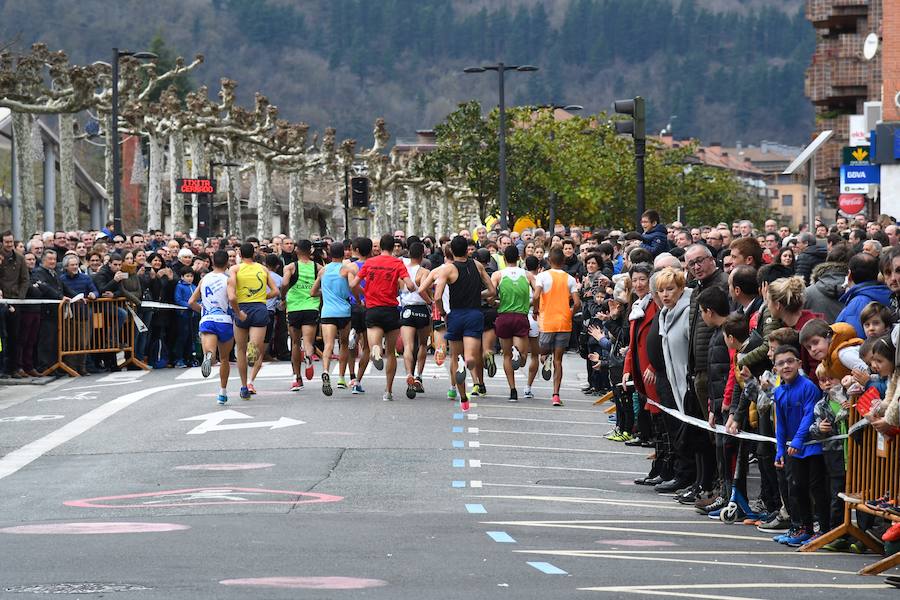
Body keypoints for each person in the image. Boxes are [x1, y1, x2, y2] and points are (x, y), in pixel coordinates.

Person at [420, 235, 495, 412]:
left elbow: (437, 296)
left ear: (452, 251)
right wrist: (478, 295)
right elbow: (492, 290)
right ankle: (469, 362)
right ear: (468, 250)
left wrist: (442, 312)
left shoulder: (448, 269)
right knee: (471, 355)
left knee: (455, 357)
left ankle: (463, 398)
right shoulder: (477, 266)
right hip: (474, 314)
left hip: (456, 315)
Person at [771, 344, 829, 547]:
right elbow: (780, 424)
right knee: (796, 489)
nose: (786, 366)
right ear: (775, 368)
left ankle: (824, 529)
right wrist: (779, 449)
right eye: (780, 363)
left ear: (799, 363)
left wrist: (797, 440)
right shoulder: (778, 392)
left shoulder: (808, 387)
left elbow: (808, 415)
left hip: (812, 447)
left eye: (790, 361)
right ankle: (802, 527)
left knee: (817, 489)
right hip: (793, 450)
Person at [349, 233, 415, 402]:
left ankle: (376, 351)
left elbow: (353, 284)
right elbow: (409, 285)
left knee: (373, 346)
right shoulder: (397, 263)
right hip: (391, 309)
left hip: (373, 309)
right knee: (391, 353)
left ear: (379, 248)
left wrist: (366, 294)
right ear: (393, 247)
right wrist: (410, 288)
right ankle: (388, 391)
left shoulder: (370, 262)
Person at [228, 242, 279, 400]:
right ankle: (253, 349)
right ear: (254, 254)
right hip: (259, 307)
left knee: (240, 350)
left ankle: (244, 386)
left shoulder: (235, 269)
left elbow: (232, 296)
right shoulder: (263, 269)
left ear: (240, 254)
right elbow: (276, 291)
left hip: (242, 307)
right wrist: (262, 296)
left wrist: (238, 312)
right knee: (256, 347)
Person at [533, 246, 581, 407]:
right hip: (564, 322)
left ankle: (545, 358)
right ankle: (556, 395)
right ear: (564, 260)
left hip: (547, 321)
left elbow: (536, 296)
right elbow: (577, 303)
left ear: (549, 260)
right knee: (559, 360)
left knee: (543, 353)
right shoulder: (570, 279)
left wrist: (536, 310)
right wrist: (570, 313)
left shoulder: (542, 276)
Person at [310, 242, 357, 396]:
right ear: (344, 254)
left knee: (328, 344)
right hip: (344, 312)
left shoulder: (323, 271)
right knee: (344, 344)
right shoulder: (346, 270)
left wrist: (325, 293)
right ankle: (341, 378)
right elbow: (353, 287)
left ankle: (325, 371)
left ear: (330, 254)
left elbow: (312, 292)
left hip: (328, 312)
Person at [189, 250, 235, 405]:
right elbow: (232, 298)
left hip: (208, 319)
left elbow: (191, 302)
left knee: (210, 352)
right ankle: (222, 392)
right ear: (227, 263)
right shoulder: (228, 279)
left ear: (212, 262)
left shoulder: (204, 279)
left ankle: (208, 356)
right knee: (225, 359)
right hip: (224, 320)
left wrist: (202, 310)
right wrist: (239, 313)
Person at [491, 245, 535, 402]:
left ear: (504, 259)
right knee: (523, 358)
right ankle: (518, 353)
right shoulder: (528, 275)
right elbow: (538, 293)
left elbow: (491, 293)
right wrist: (531, 305)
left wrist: (494, 303)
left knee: (506, 356)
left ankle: (512, 390)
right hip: (521, 316)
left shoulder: (498, 275)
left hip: (504, 316)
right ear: (519, 258)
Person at [282, 240, 321, 391]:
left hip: (294, 308)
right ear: (310, 251)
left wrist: (283, 297)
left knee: (295, 343)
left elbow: (284, 283)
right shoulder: (318, 267)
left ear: (296, 250)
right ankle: (309, 356)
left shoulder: (290, 267)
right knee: (308, 342)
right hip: (311, 307)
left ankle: (297, 377)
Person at [398, 241, 432, 399]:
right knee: (423, 344)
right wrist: (430, 302)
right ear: (422, 255)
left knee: (408, 346)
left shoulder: (402, 271)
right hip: (422, 310)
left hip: (407, 310)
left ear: (409, 254)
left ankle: (409, 374)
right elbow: (423, 291)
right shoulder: (424, 271)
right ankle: (419, 375)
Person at [347, 237, 372, 394]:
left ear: (356, 250)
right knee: (367, 346)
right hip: (370, 306)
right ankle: (358, 381)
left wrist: (357, 300)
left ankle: (351, 375)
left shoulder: (351, 267)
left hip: (353, 306)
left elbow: (352, 286)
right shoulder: (373, 265)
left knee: (351, 345)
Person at [172, 268, 198, 368]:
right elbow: (178, 299)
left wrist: (198, 305)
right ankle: (178, 359)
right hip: (183, 315)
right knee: (182, 337)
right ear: (182, 277)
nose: (190, 278)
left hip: (193, 315)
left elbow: (198, 299)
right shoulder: (179, 286)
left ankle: (190, 358)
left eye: (191, 276)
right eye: (187, 276)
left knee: (192, 337)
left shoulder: (194, 287)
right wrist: (190, 305)